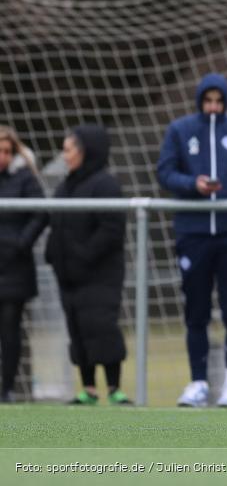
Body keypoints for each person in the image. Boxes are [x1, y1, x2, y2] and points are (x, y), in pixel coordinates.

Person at [157, 73, 227, 408]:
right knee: (196, 313)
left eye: (219, 101)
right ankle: (198, 382)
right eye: (208, 101)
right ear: (200, 101)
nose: (213, 107)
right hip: (194, 235)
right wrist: (194, 184)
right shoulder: (180, 131)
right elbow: (165, 173)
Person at [45, 125, 131, 405]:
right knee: (78, 329)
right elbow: (55, 224)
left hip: (99, 275)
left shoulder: (105, 185)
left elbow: (110, 230)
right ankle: (89, 389)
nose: (65, 155)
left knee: (101, 327)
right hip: (69, 276)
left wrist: (83, 254)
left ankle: (115, 389)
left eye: (69, 149)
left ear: (87, 151)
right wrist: (54, 255)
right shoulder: (64, 187)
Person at [0, 126, 47, 403]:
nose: (2, 157)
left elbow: (40, 213)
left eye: (7, 151)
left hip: (15, 266)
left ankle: (7, 389)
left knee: (10, 329)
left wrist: (21, 243)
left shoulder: (25, 178)